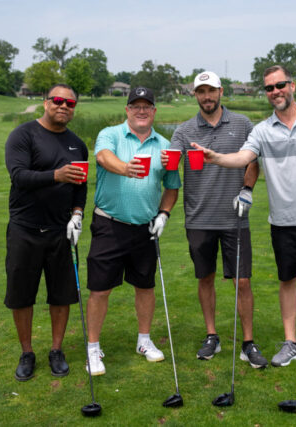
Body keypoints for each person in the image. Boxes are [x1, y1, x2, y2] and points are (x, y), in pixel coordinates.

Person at [191, 65, 296, 379]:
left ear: (292, 85)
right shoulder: (263, 131)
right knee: (287, 281)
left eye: (280, 85)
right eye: (269, 88)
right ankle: (291, 342)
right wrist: (215, 157)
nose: (275, 91)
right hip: (282, 222)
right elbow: (243, 158)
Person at [162, 71, 267, 368]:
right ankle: (212, 336)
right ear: (195, 95)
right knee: (204, 277)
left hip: (235, 217)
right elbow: (171, 165)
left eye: (211, 91)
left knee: (242, 281)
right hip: (198, 217)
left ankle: (248, 342)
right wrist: (164, 161)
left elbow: (252, 162)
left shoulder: (242, 123)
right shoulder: (184, 130)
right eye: (201, 92)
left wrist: (247, 190)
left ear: (221, 91)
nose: (206, 97)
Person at [85, 87, 181, 376]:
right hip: (109, 225)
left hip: (144, 229)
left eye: (147, 106)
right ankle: (93, 348)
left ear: (154, 111)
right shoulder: (110, 134)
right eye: (135, 106)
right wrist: (126, 168)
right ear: (127, 110)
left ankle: (144, 340)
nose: (141, 111)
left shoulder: (165, 145)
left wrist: (163, 214)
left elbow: (172, 186)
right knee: (100, 289)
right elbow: (103, 158)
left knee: (145, 286)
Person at [4, 83, 88, 381]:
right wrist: (56, 175)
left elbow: (81, 185)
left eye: (70, 103)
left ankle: (56, 350)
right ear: (45, 102)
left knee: (61, 295)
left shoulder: (77, 144)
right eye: (58, 100)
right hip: (25, 228)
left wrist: (77, 216)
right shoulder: (23, 135)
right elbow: (19, 176)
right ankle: (27, 352)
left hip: (60, 230)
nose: (64, 106)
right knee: (21, 294)